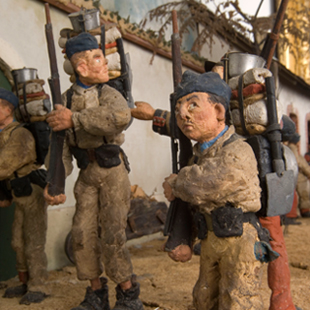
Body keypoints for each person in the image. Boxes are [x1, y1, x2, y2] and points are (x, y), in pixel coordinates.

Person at [134, 70, 276, 309]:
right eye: (179, 109)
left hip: (239, 240)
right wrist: (183, 238)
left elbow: (210, 181)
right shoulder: (199, 154)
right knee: (204, 296)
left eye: (192, 106)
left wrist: (176, 183)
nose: (183, 115)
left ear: (219, 112)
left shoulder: (238, 150)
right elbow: (192, 203)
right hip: (211, 238)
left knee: (239, 298)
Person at [43, 32, 143, 310]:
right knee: (82, 233)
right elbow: (59, 148)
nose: (105, 62)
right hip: (87, 174)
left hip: (113, 171)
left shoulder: (110, 93)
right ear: (81, 67)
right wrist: (56, 184)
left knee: (113, 233)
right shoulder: (64, 100)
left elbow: (120, 118)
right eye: (98, 58)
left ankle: (127, 292)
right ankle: (95, 292)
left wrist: (74, 119)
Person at [0, 88, 49, 305]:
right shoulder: (3, 133)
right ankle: (24, 281)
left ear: (7, 109)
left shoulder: (19, 134)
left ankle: (38, 285)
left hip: (31, 192)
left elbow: (4, 166)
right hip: (17, 192)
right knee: (18, 242)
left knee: (34, 241)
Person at [286, 132, 310, 218]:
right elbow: (298, 162)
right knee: (304, 193)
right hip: (297, 174)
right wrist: (308, 172)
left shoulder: (290, 148)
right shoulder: (293, 149)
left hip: (296, 173)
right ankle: (305, 211)